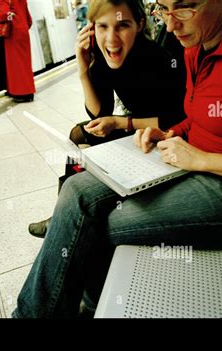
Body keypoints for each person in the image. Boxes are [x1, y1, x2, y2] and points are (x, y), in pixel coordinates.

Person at [13, 0, 222, 318]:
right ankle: (84, 307)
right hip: (189, 166)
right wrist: (171, 133)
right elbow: (197, 118)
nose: (170, 24)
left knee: (92, 224)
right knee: (76, 190)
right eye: (162, 9)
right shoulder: (197, 42)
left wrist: (204, 160)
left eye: (185, 7)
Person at [28, 0, 186, 237]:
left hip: (164, 133)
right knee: (79, 134)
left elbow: (176, 117)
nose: (111, 39)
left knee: (86, 140)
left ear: (139, 25)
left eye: (122, 26)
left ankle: (68, 215)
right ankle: (62, 212)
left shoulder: (159, 59)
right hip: (134, 127)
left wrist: (122, 123)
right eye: (103, 26)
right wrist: (83, 70)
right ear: (92, 29)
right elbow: (99, 113)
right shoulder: (105, 58)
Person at [0, 0, 35, 102]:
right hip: (24, 33)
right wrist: (23, 27)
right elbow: (29, 20)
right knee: (25, 64)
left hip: (13, 34)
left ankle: (21, 94)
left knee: (16, 66)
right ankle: (29, 92)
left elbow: (5, 14)